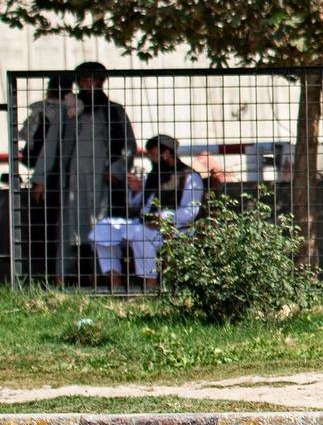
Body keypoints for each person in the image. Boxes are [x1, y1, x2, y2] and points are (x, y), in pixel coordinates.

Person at [90, 135, 204, 289]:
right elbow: (139, 204)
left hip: (172, 229)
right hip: (143, 223)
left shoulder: (190, 177)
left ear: (166, 153)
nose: (150, 158)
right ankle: (115, 283)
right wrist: (136, 191)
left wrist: (163, 218)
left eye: (153, 154)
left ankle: (150, 285)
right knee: (103, 228)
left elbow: (191, 211)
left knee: (141, 234)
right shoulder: (153, 175)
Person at [61, 61, 136, 286]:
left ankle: (106, 280)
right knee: (73, 234)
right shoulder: (70, 111)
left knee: (104, 232)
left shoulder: (114, 110)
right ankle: (69, 281)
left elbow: (128, 146)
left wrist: (117, 170)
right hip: (74, 184)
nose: (90, 85)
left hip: (104, 185)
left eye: (94, 81)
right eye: (85, 81)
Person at [21, 75, 80, 281]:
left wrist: (40, 180)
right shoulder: (78, 109)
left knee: (49, 228)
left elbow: (34, 149)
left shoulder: (44, 112)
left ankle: (51, 274)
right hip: (76, 176)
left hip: (52, 179)